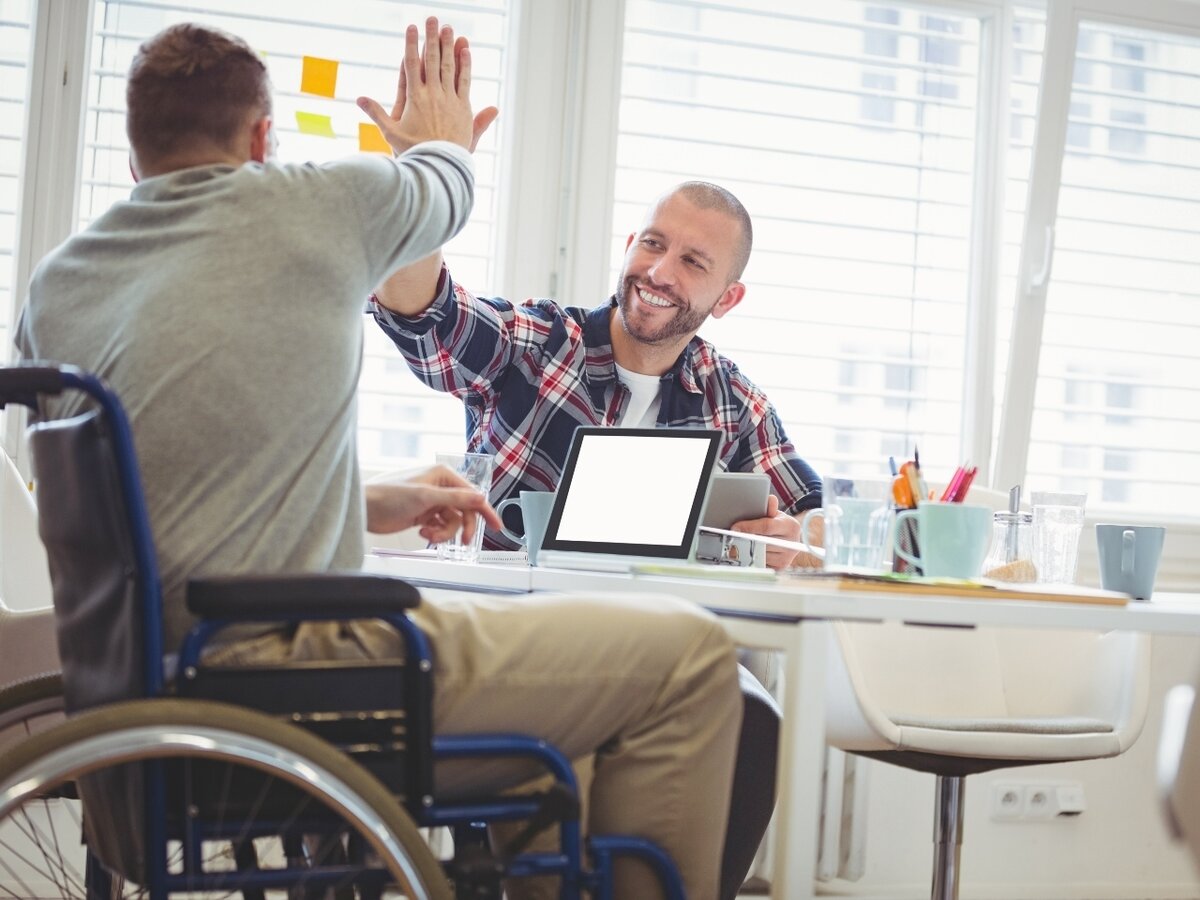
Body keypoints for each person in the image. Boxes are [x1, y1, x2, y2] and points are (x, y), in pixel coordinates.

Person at [15, 20, 742, 900]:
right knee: (694, 656)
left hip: (148, 692)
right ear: (260, 139)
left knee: (558, 748)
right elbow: (446, 184)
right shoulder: (311, 203)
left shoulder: (59, 284)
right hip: (312, 675)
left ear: (135, 158)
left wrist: (364, 499)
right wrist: (433, 140)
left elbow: (149, 503)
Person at [370, 182, 823, 898]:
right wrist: (423, 182)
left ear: (726, 300)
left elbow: (818, 518)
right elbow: (427, 316)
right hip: (517, 645)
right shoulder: (541, 342)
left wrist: (791, 532)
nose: (660, 271)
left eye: (693, 262)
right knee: (579, 752)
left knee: (756, 721)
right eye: (652, 242)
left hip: (658, 658)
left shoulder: (729, 398)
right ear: (629, 246)